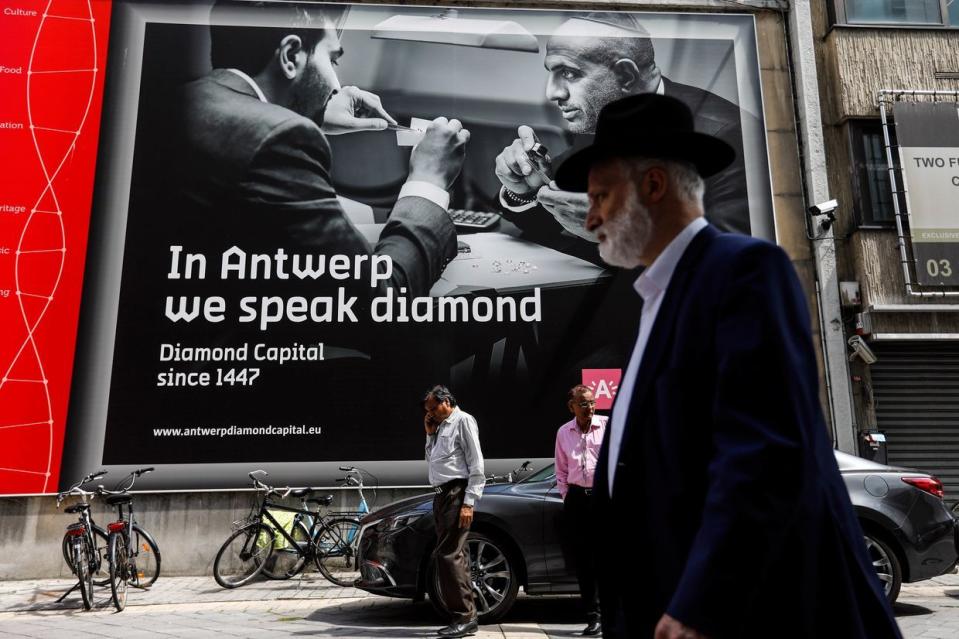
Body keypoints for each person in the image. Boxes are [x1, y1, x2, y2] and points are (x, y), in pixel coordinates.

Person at [553, 93, 902, 638]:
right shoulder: (657, 300)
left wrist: (703, 601)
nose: (590, 215)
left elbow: (766, 452)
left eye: (600, 196)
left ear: (652, 185)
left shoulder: (743, 272)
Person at [164, 0, 467, 303]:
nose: (337, 87)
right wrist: (429, 182)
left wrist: (309, 110)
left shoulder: (180, 102)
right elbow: (380, 298)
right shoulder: (282, 138)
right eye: (333, 61)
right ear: (290, 56)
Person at [494, 12, 750, 265]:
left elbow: (731, 264)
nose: (553, 93)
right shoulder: (599, 118)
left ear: (626, 75)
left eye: (570, 73)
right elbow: (552, 222)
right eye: (552, 73)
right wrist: (525, 191)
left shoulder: (726, 135)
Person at [424, 385, 486, 638]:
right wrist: (429, 434)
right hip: (441, 497)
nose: (431, 414)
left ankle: (464, 616)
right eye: (428, 410)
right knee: (455, 555)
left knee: (448, 555)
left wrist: (469, 502)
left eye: (433, 408)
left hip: (456, 494)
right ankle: (464, 615)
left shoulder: (463, 420)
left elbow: (476, 462)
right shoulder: (438, 428)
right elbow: (432, 461)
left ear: (446, 401)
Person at [553, 384, 606, 636]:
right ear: (571, 406)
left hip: (602, 499)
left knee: (609, 557)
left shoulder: (606, 426)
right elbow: (561, 470)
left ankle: (613, 612)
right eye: (583, 403)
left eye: (592, 402)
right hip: (577, 500)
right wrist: (567, 498)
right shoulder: (564, 432)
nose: (590, 408)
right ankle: (593, 617)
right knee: (584, 561)